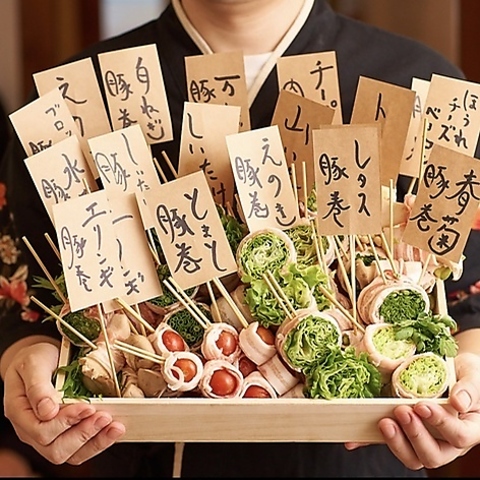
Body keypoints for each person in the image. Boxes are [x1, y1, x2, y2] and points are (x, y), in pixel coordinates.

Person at [1, 0, 480, 477]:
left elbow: (465, 304)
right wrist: (27, 358)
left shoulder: (418, 80)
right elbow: (24, 299)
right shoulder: (72, 99)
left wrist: (471, 377)